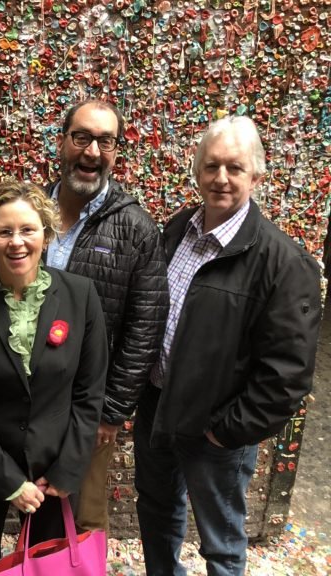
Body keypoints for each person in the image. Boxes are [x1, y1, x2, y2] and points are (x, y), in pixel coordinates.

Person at [134, 116, 321, 576]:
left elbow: (288, 376)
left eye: (234, 168)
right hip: (158, 410)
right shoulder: (177, 229)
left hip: (214, 429)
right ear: (196, 171)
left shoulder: (284, 262)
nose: (221, 178)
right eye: (212, 166)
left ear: (256, 176)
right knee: (157, 519)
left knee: (221, 543)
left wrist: (225, 431)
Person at [0, 180, 108, 576]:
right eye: (4, 231)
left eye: (28, 230)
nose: (17, 242)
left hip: (54, 472)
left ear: (46, 235)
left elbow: (89, 392)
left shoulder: (81, 296)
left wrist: (68, 470)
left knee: (49, 569)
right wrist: (10, 482)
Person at [46, 100, 169, 533]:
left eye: (106, 141)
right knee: (32, 509)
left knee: (82, 519)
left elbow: (145, 326)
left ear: (116, 151)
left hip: (88, 405)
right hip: (23, 400)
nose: (92, 152)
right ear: (61, 141)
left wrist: (111, 411)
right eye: (81, 137)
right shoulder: (28, 215)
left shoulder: (136, 228)